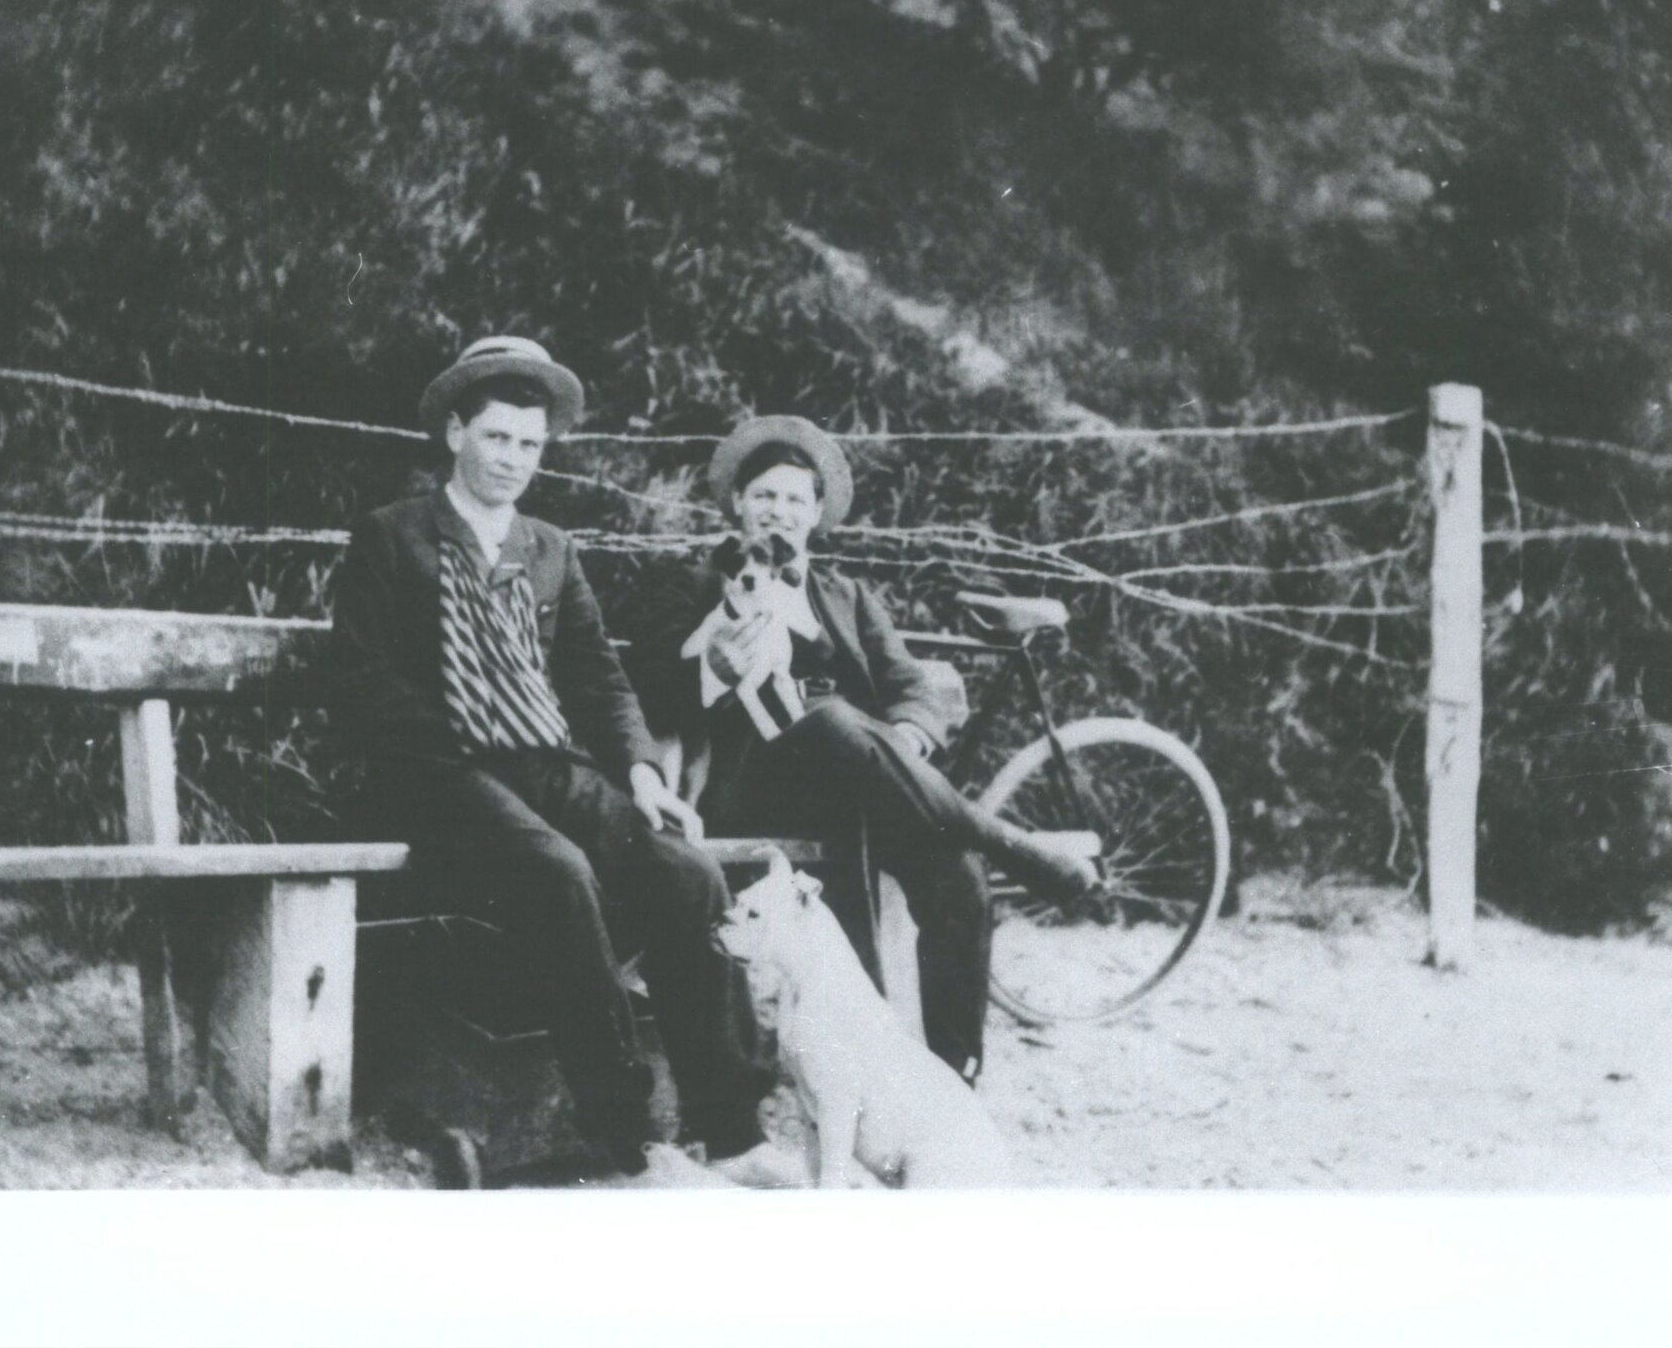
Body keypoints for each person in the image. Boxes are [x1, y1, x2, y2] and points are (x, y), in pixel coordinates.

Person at [330, 337, 799, 1186]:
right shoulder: (390, 538)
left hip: (545, 764)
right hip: (437, 774)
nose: (512, 460)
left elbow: (597, 678)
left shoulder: (549, 547)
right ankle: (624, 1136)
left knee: (683, 870)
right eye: (497, 437)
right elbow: (364, 683)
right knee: (557, 870)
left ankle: (730, 1132)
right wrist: (464, 746)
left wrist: (646, 778)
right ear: (454, 434)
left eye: (529, 444)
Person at [641, 416, 1099, 1087]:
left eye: (796, 499)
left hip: (868, 782)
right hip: (754, 781)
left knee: (957, 871)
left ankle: (950, 1080)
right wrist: (711, 663)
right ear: (736, 503)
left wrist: (908, 737)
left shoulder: (845, 596)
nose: (779, 511)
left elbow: (910, 687)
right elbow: (651, 688)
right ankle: (1017, 847)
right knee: (827, 719)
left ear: (817, 513)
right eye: (764, 496)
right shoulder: (689, 582)